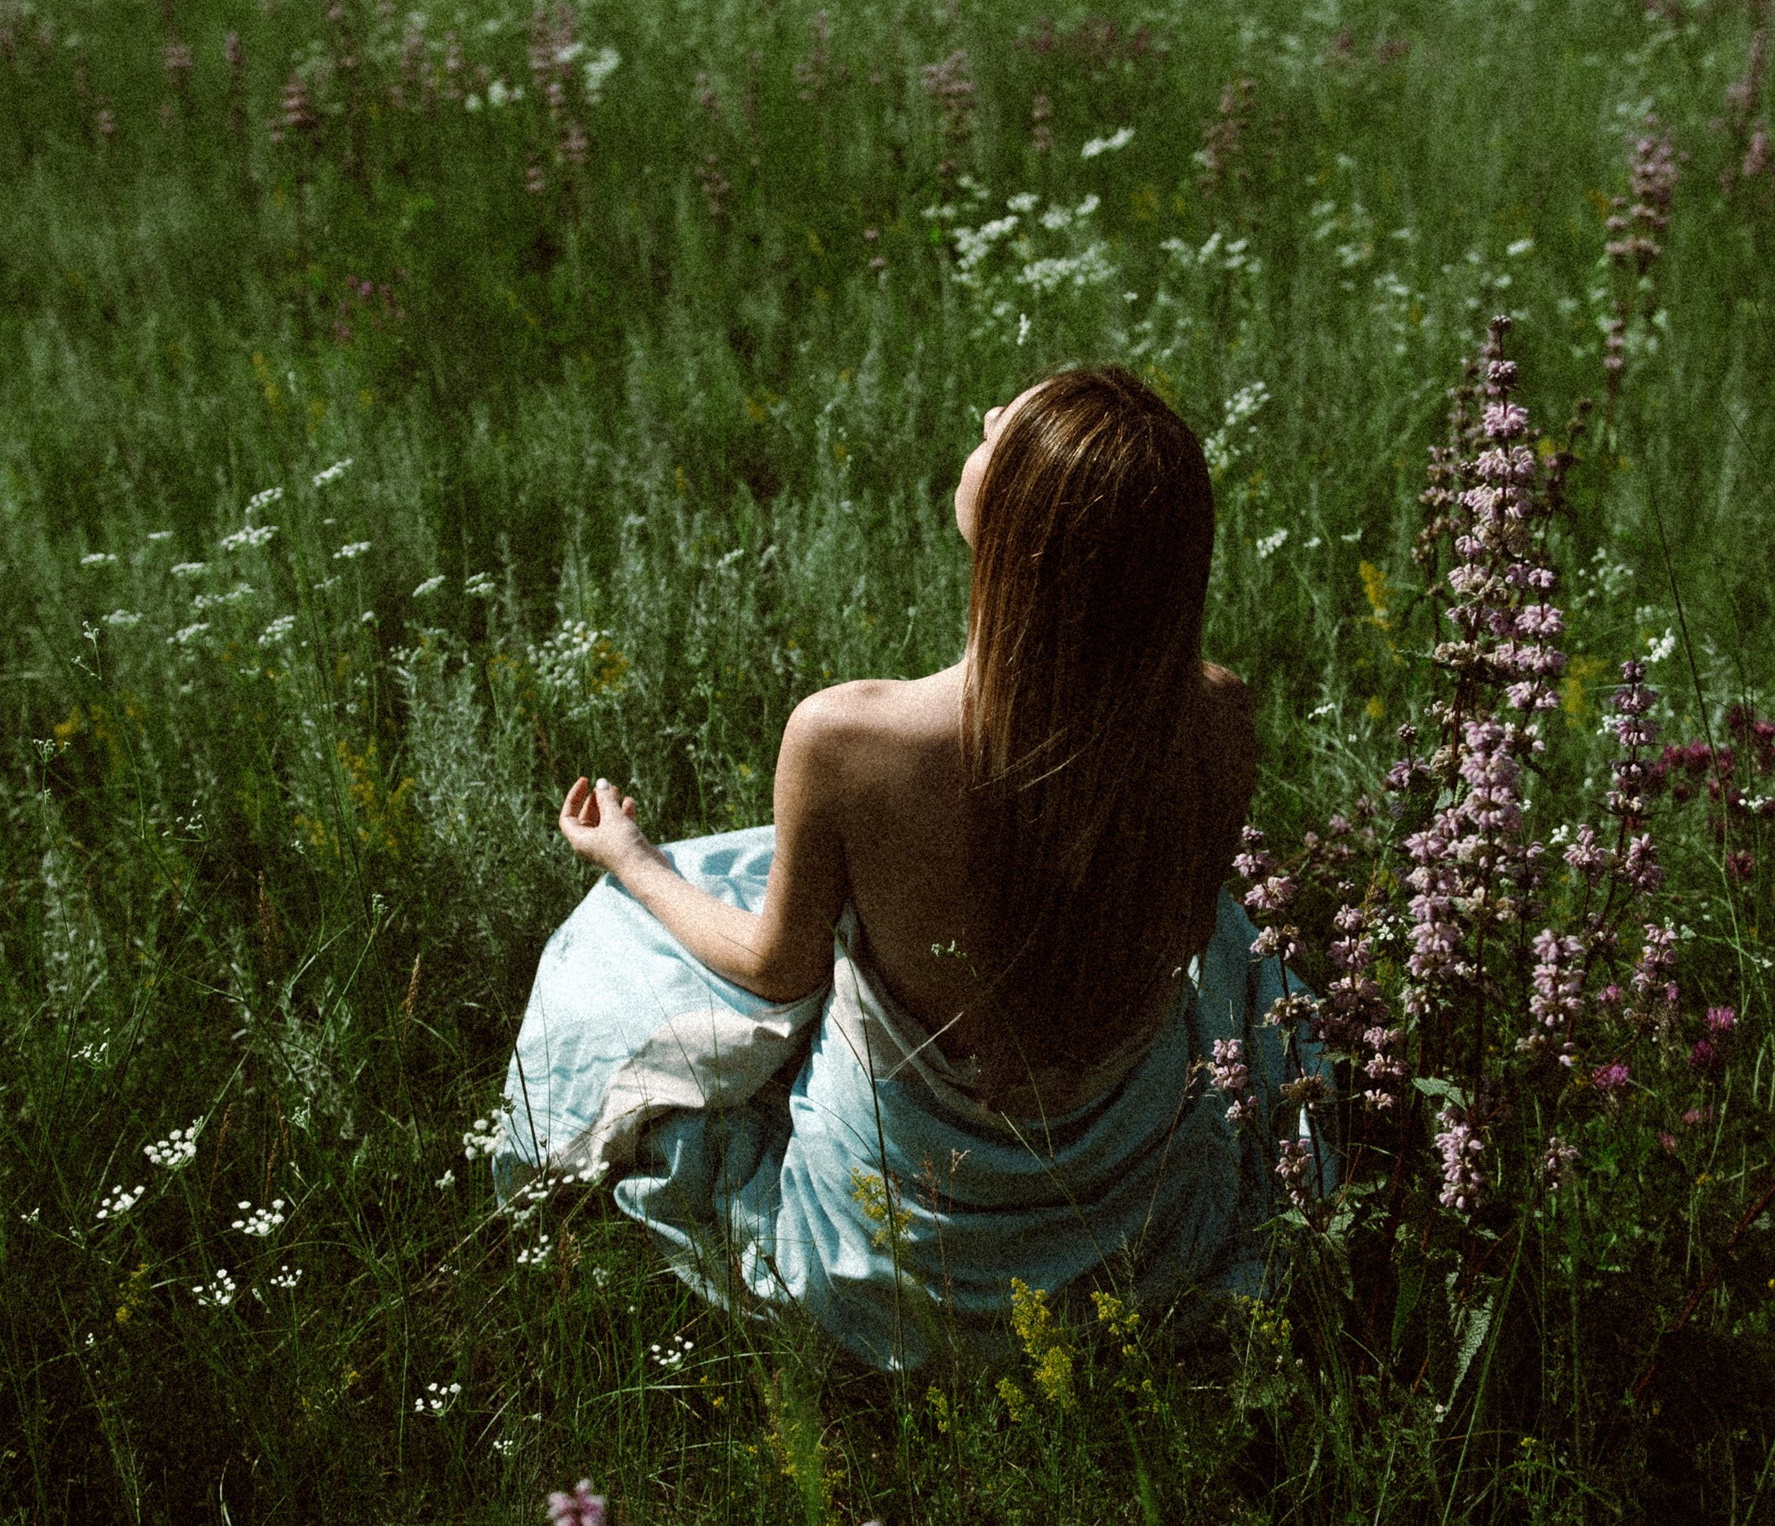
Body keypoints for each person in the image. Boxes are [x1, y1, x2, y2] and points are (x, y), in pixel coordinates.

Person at [492, 364, 1326, 1370]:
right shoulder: (1215, 715)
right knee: (1243, 935)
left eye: (1001, 428)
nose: (982, 414)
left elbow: (776, 970)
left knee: (620, 944)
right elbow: (1187, 940)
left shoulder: (848, 740)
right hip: (1138, 1220)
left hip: (902, 1253)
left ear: (1023, 529)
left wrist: (632, 861)